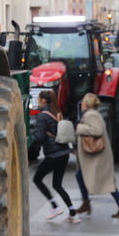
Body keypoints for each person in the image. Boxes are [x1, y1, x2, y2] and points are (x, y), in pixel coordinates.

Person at [74, 92, 119, 218]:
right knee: (102, 181)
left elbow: (97, 131)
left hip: (97, 157)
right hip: (95, 156)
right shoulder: (91, 114)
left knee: (106, 182)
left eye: (84, 101)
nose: (82, 103)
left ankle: (87, 203)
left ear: (88, 103)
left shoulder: (91, 115)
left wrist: (80, 128)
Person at [31, 90, 79, 223]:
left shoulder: (42, 116)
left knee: (37, 179)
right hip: (64, 153)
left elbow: (39, 137)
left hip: (53, 154)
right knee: (57, 185)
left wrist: (29, 139)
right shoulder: (57, 113)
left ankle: (54, 206)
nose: (37, 102)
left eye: (38, 100)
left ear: (43, 101)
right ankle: (73, 214)